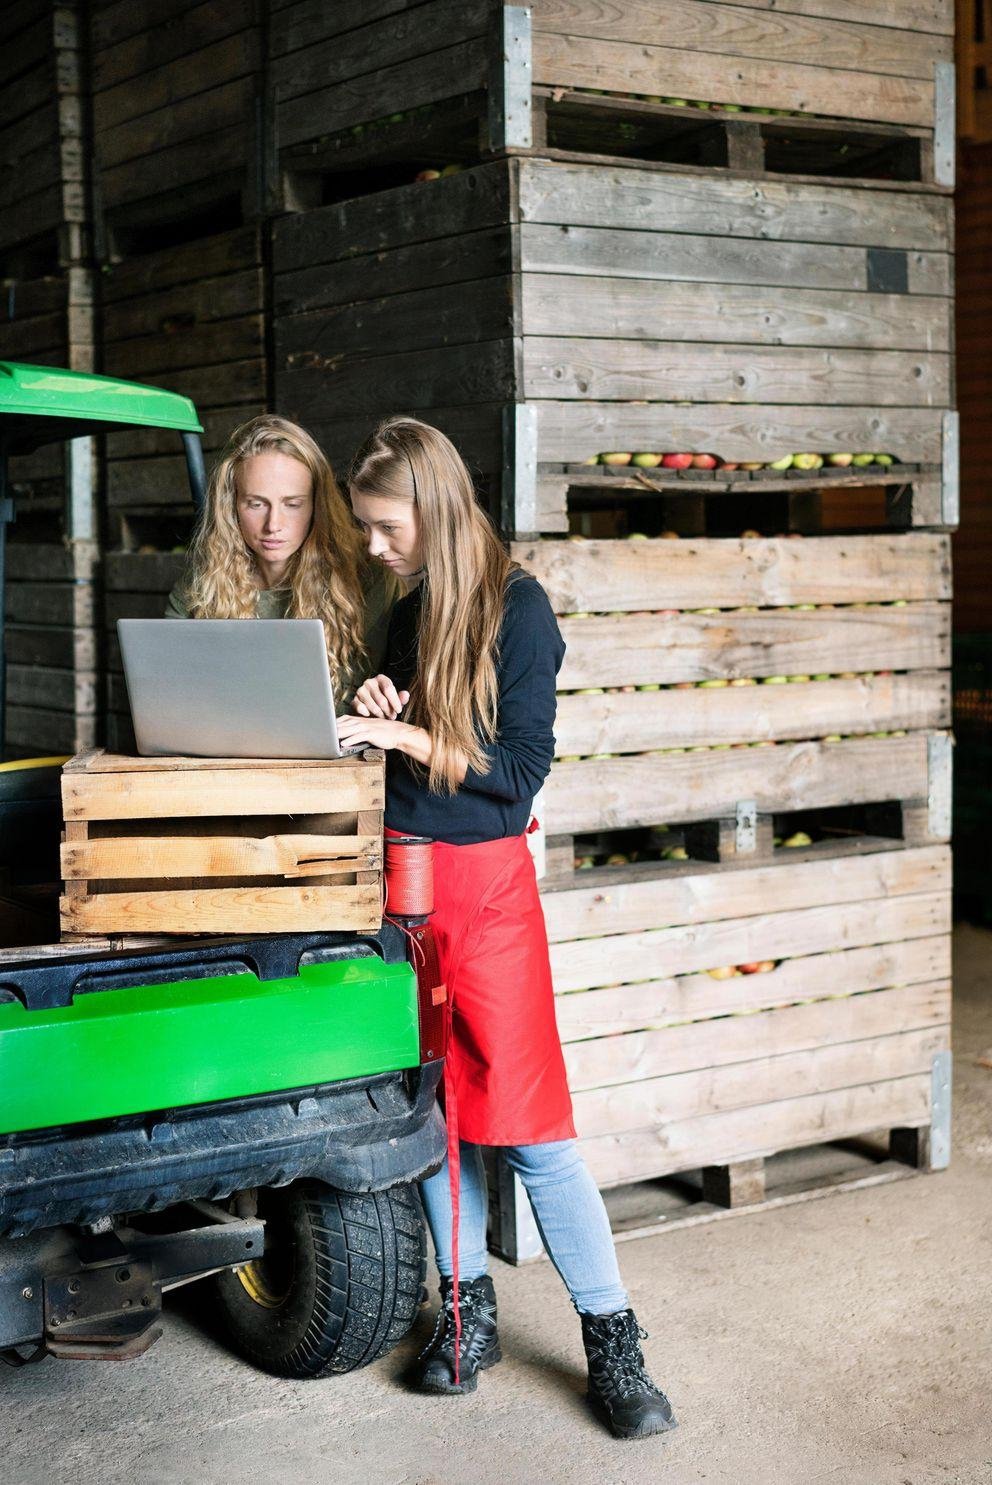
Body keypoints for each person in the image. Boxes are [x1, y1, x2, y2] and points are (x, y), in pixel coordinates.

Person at [337, 416, 676, 1441]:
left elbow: (517, 776)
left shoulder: (521, 613)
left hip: (486, 893)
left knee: (530, 1133)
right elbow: (421, 743)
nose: (371, 547)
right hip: (403, 884)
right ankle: (462, 1316)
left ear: (435, 513)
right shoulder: (413, 605)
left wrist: (400, 732)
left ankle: (613, 1344)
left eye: (383, 527)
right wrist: (381, 697)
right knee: (433, 1113)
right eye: (363, 528)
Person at [165, 414, 400, 704]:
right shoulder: (203, 582)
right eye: (256, 504)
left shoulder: (367, 574)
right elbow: (170, 692)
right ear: (231, 506)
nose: (273, 524)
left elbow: (358, 703)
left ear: (318, 505)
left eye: (292, 504)